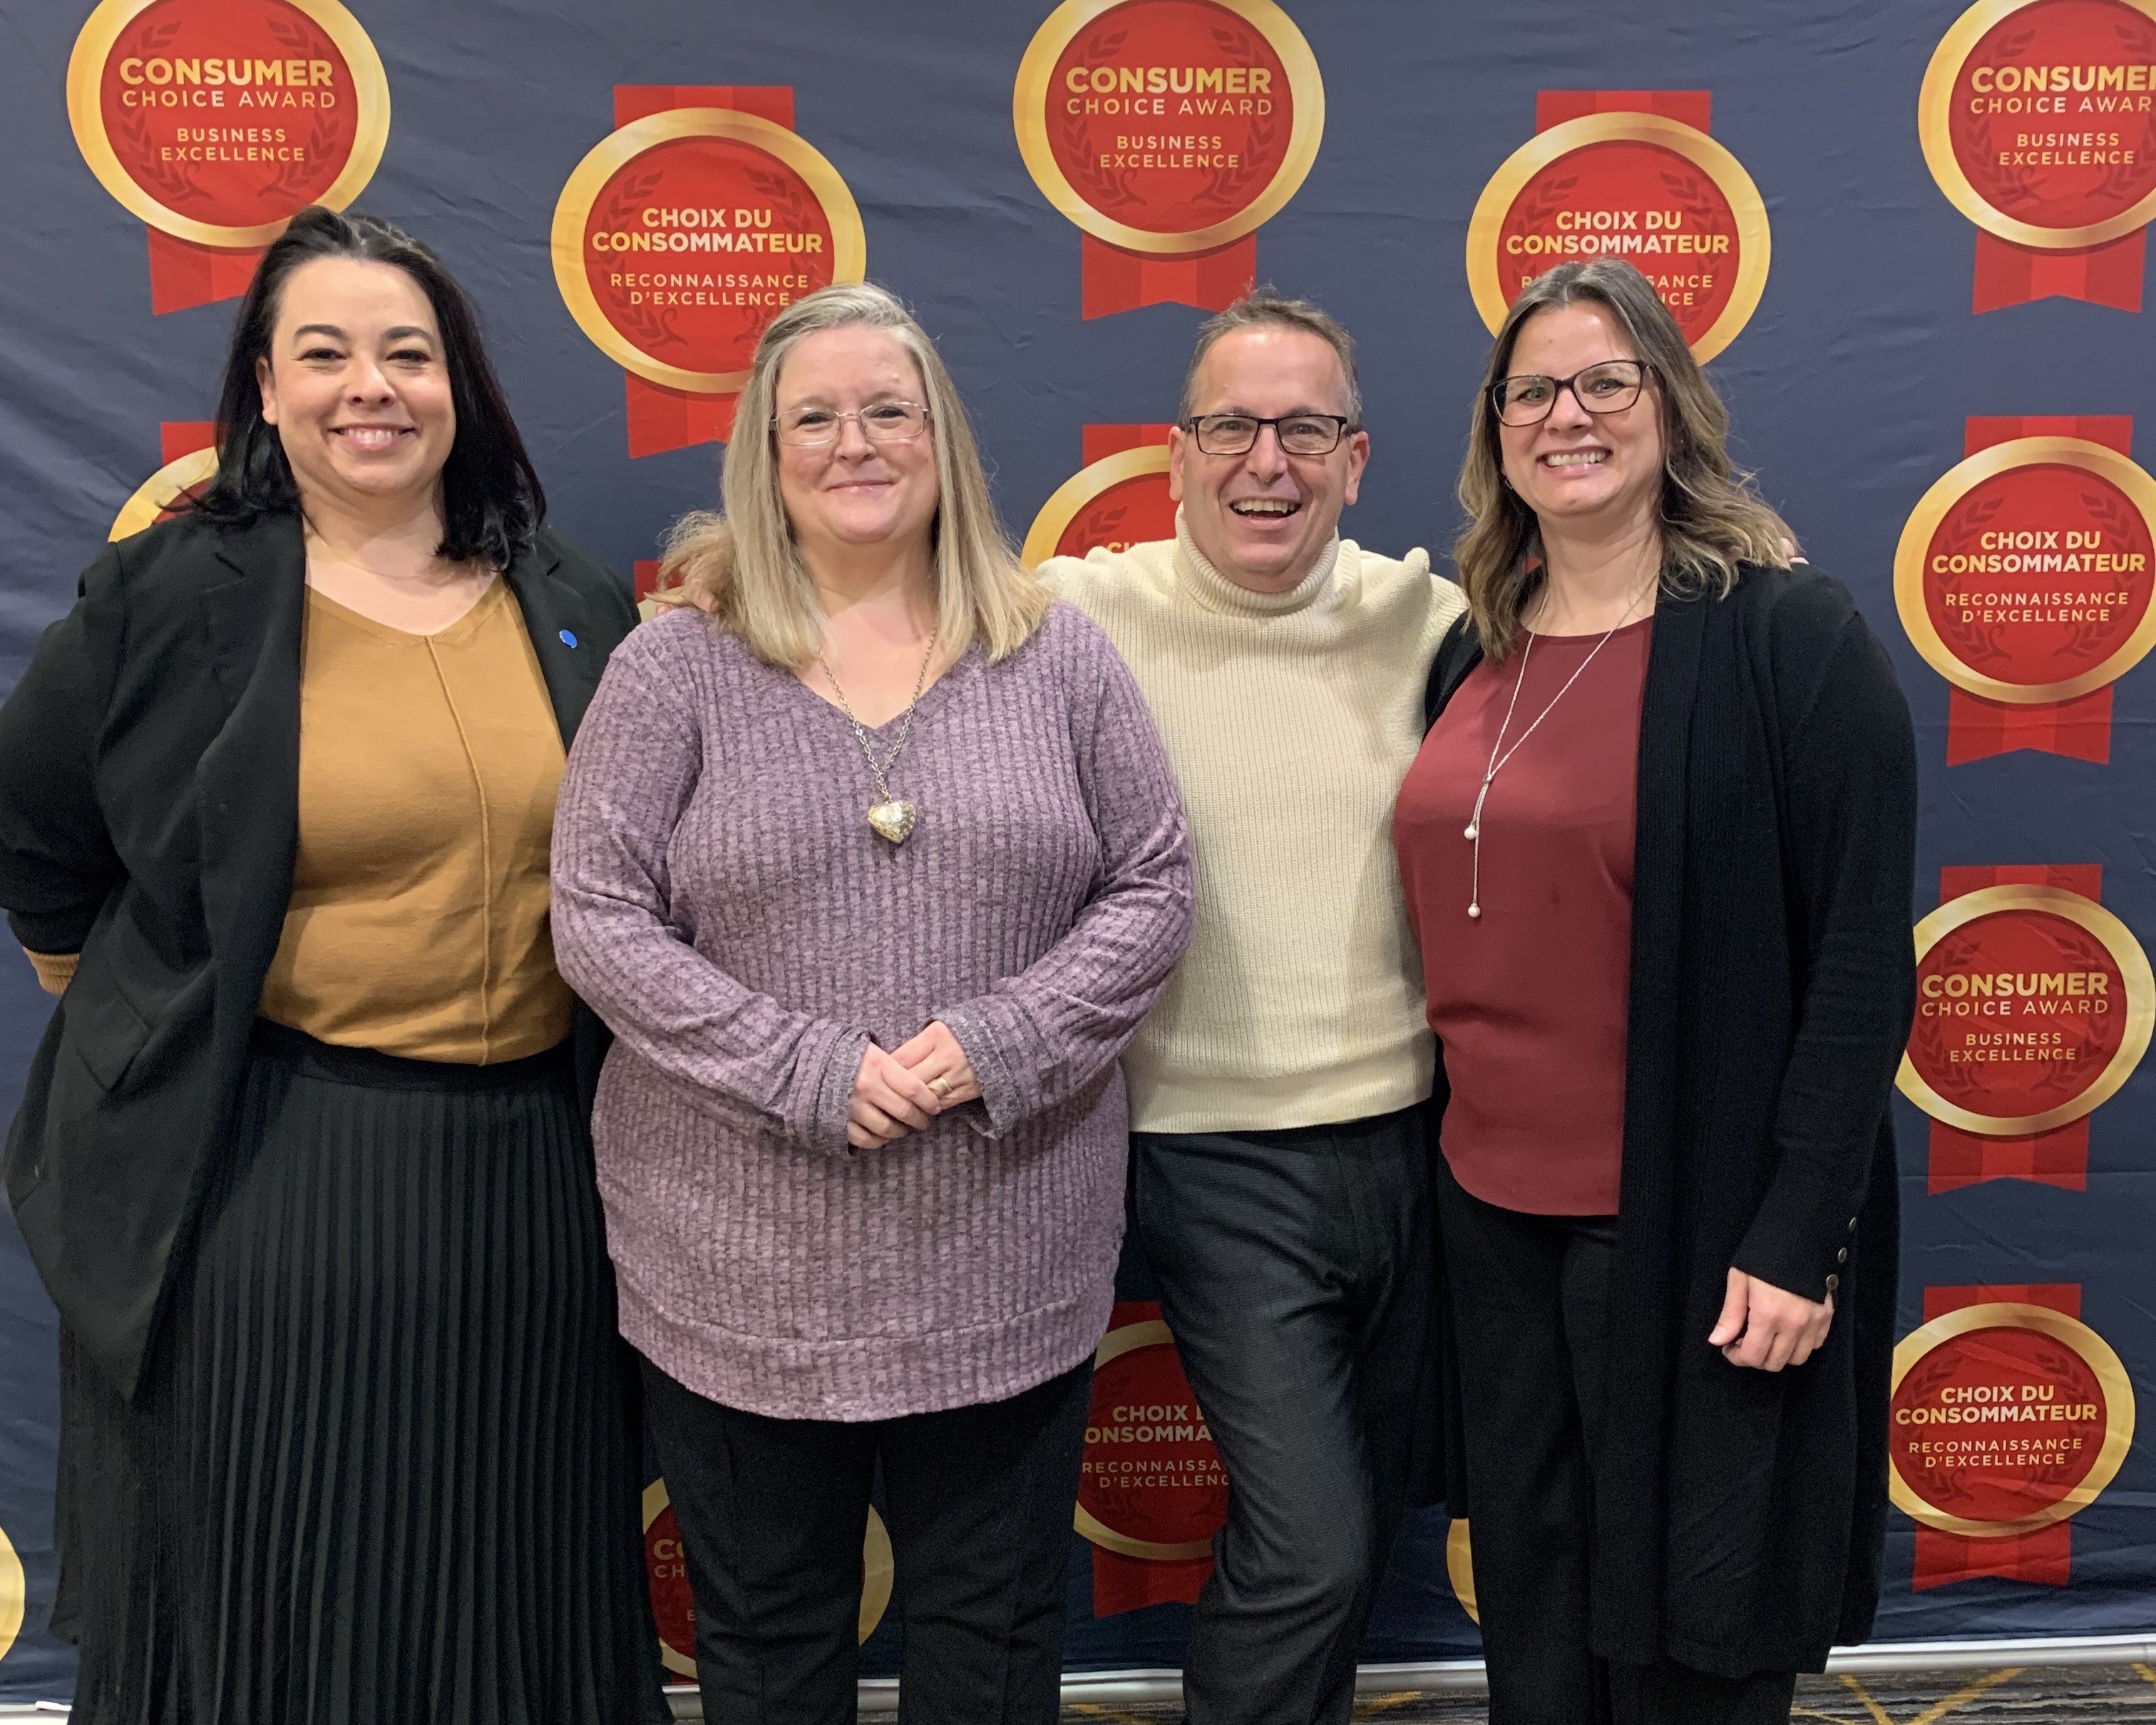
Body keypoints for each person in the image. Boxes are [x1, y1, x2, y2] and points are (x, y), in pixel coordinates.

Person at [0, 205, 663, 1724]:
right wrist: (93, 983)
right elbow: (33, 818)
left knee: (515, 1581)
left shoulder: (565, 598)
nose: (372, 386)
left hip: (535, 1188)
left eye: (407, 353)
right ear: (266, 391)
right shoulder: (174, 594)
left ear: (460, 385)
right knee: (278, 1578)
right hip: (266, 1176)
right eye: (325, 353)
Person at [549, 280, 1194, 1725]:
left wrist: (997, 1040)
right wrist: (800, 1065)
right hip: (740, 1279)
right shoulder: (678, 666)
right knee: (769, 1649)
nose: (857, 443)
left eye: (889, 409)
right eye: (816, 418)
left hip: (1004, 1263)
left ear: (943, 439)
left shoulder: (1057, 653)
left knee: (994, 1643)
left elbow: (1153, 884)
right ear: (765, 457)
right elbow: (594, 916)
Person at [1393, 257, 1916, 1724]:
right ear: (1497, 429)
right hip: (1490, 1215)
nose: (1570, 413)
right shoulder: (1469, 648)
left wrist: (1800, 1235)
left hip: (1693, 1227)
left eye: (1605, 380)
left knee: (1692, 1629)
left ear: (1671, 410)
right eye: (1533, 390)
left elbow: (1866, 962)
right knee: (1540, 1613)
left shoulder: (1786, 639)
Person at [1042, 290, 1465, 1725]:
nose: (1264, 459)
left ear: (1356, 457)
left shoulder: (1438, 623)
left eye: (1303, 427)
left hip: (1425, 1153)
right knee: (1314, 1545)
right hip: (1212, 1156)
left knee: (1372, 1532)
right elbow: (868, 614)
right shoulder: (1078, 616)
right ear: (1176, 454)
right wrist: (726, 580)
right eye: (1232, 424)